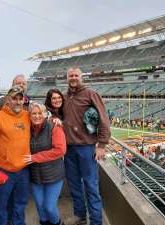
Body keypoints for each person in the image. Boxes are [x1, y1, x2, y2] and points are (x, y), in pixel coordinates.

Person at [63, 67, 111, 225]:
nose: (73, 78)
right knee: (74, 185)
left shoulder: (90, 93)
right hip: (69, 149)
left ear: (81, 77)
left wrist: (102, 145)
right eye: (71, 76)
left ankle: (96, 221)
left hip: (86, 147)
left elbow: (103, 118)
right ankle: (80, 216)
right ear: (67, 78)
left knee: (91, 186)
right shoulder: (65, 96)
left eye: (76, 75)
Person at [0, 86, 31, 225]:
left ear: (23, 100)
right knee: (1, 208)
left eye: (20, 98)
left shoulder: (27, 115)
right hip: (3, 170)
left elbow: (43, 120)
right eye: (14, 98)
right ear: (8, 100)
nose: (17, 101)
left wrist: (55, 120)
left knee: (20, 206)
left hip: (23, 171)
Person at [24, 102, 66, 225]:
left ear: (45, 114)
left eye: (40, 113)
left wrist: (35, 157)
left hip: (53, 175)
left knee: (49, 207)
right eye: (34, 113)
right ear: (29, 115)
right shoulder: (26, 128)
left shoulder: (54, 126)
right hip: (35, 176)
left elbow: (60, 150)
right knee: (40, 207)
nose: (37, 116)